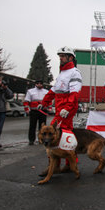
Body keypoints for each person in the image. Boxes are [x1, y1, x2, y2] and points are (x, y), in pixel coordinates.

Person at [39, 46, 82, 175]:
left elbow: (74, 93)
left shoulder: (75, 72)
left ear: (70, 58)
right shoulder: (62, 73)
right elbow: (54, 90)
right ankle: (68, 164)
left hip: (66, 109)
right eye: (60, 56)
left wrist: (67, 109)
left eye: (63, 56)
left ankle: (56, 165)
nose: (60, 58)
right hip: (60, 108)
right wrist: (44, 102)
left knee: (55, 134)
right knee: (66, 136)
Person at [23, 80, 48, 145]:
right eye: (37, 83)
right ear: (35, 84)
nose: (39, 84)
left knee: (43, 126)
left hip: (43, 111)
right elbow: (26, 101)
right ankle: (31, 140)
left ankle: (42, 139)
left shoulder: (46, 92)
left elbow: (49, 101)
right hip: (34, 111)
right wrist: (26, 109)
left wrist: (50, 108)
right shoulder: (30, 91)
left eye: (40, 83)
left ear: (42, 84)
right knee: (32, 126)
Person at [0, 76, 13, 148]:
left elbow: (10, 95)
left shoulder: (3, 90)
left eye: (0, 81)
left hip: (1, 110)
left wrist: (6, 88)